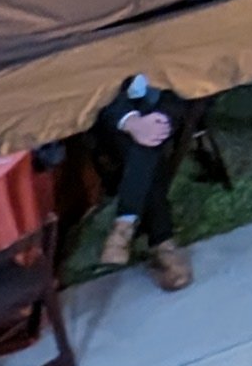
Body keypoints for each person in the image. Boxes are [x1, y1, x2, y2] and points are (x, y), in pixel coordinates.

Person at [85, 75, 199, 291]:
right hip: (111, 105)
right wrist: (131, 121)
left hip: (168, 98)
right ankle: (161, 241)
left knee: (150, 137)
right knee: (140, 144)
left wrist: (159, 119)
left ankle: (125, 227)